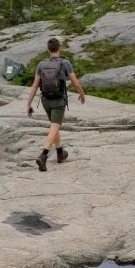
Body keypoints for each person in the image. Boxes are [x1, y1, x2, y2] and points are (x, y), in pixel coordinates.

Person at [26, 37, 86, 171]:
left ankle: (60, 153)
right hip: (59, 100)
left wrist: (29, 104)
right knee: (55, 126)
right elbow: (75, 82)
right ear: (59, 48)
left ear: (48, 49)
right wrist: (81, 94)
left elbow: (35, 86)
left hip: (46, 100)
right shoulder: (65, 63)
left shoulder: (41, 64)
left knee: (54, 125)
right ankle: (44, 155)